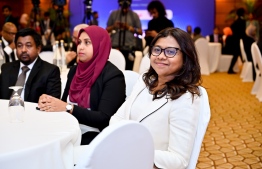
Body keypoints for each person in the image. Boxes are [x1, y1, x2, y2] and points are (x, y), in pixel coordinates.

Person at [110, 27, 202, 169]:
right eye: (157, 49)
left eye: (170, 51)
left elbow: (179, 160)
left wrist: (134, 152)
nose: (161, 56)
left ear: (185, 57)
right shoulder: (144, 82)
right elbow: (117, 118)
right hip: (122, 157)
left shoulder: (186, 98)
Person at [38, 26, 126, 145]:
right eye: (79, 42)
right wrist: (50, 102)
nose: (81, 47)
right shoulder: (75, 70)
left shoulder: (113, 76)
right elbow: (64, 103)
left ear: (100, 45)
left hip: (95, 136)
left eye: (87, 43)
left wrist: (68, 108)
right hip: (69, 128)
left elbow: (104, 118)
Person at [0, 28, 61, 103]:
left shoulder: (50, 71)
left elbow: (52, 104)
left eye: (28, 46)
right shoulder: (6, 68)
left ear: (38, 49)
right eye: (19, 46)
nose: (23, 50)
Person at [106, 0, 142, 70]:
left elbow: (140, 32)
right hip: (115, 47)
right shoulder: (114, 14)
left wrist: (129, 27)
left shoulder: (134, 15)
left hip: (129, 47)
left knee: (128, 69)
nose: (125, 9)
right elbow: (107, 29)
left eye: (126, 7)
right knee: (113, 69)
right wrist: (114, 26)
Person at [228, 7, 246, 74]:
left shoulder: (235, 21)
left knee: (237, 55)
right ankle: (247, 70)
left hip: (234, 40)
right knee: (242, 55)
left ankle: (230, 69)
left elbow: (231, 27)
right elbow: (243, 33)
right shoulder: (243, 21)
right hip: (240, 40)